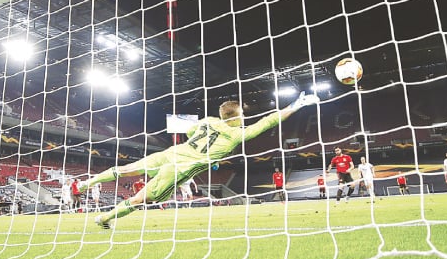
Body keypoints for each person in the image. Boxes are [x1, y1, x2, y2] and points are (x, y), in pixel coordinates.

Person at [79, 91, 318, 228]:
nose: (245, 118)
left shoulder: (207, 121)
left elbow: (190, 133)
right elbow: (268, 122)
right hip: (181, 167)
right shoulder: (237, 134)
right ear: (233, 118)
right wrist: (295, 105)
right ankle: (104, 218)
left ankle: (83, 184)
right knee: (143, 198)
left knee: (126, 169)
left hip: (172, 152)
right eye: (242, 115)